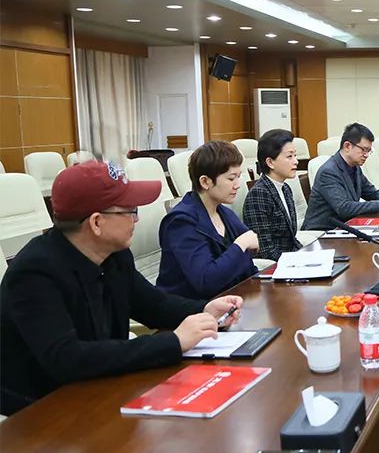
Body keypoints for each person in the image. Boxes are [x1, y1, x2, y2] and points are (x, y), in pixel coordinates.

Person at [0, 161, 242, 416]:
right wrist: (173, 342)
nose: (137, 219)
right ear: (96, 222)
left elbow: (154, 305)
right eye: (130, 211)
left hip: (95, 388)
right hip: (37, 409)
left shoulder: (114, 254)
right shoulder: (34, 273)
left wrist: (204, 309)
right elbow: (66, 358)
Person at [157, 141, 259, 299]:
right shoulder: (181, 222)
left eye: (239, 177)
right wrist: (241, 244)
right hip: (193, 309)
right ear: (205, 182)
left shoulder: (225, 214)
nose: (238, 185)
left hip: (229, 301)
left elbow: (248, 265)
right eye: (231, 178)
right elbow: (207, 281)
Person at [303, 123, 379, 230]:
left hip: (346, 226)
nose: (366, 155)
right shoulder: (329, 172)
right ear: (347, 146)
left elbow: (372, 193)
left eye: (369, 151)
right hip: (322, 231)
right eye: (364, 150)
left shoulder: (354, 167)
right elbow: (344, 208)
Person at [243, 129, 302, 261]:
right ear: (270, 162)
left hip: (289, 260)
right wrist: (296, 262)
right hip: (274, 265)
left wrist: (308, 255)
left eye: (295, 155)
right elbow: (265, 250)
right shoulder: (259, 194)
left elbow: (291, 240)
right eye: (289, 156)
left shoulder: (285, 188)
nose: (296, 161)